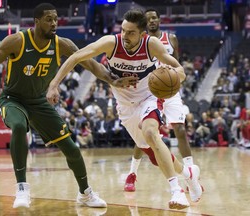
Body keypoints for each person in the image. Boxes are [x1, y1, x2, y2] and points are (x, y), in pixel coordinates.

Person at [0, 3, 137, 209]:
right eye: (49, 19)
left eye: (55, 19)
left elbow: (90, 63)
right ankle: (22, 188)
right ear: (36, 21)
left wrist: (112, 80)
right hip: (13, 99)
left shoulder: (62, 44)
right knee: (18, 126)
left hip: (39, 102)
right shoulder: (17, 41)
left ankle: (85, 193)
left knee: (71, 148)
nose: (54, 23)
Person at [46, 9, 202, 210]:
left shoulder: (151, 44)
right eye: (123, 30)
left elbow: (179, 69)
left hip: (149, 97)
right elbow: (76, 56)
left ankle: (177, 191)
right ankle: (188, 174)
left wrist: (174, 77)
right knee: (154, 154)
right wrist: (54, 84)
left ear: (142, 34)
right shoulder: (112, 43)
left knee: (151, 133)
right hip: (125, 106)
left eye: (131, 32)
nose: (125, 36)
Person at [124, 8, 203, 193]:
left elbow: (176, 63)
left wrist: (176, 82)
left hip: (169, 87)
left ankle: (191, 171)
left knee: (180, 129)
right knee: (145, 134)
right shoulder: (141, 41)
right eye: (148, 19)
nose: (151, 21)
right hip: (149, 90)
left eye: (154, 18)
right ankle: (132, 173)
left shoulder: (171, 38)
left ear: (159, 20)